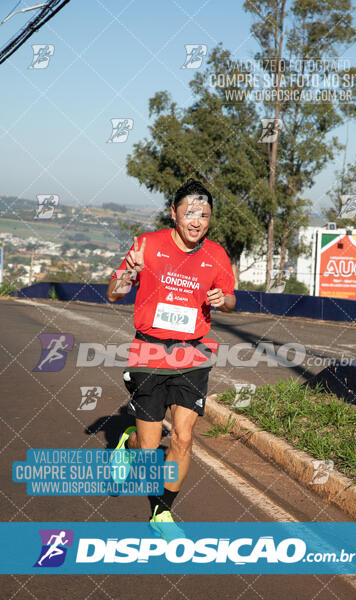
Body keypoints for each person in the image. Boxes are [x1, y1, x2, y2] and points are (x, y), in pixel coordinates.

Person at [106, 179, 236, 535]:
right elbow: (115, 294)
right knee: (148, 450)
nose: (197, 221)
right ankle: (127, 441)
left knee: (182, 437)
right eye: (190, 213)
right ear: (174, 213)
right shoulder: (147, 245)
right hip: (149, 352)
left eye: (204, 215)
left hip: (192, 354)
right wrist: (131, 271)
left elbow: (230, 298)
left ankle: (161, 512)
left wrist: (221, 301)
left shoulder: (217, 254)